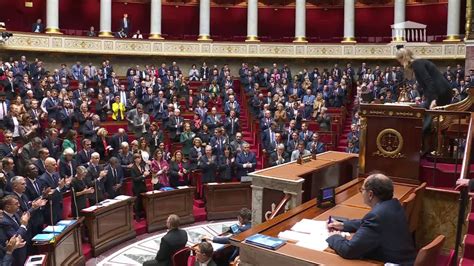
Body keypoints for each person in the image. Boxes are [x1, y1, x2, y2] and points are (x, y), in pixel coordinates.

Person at [326, 173, 416, 264]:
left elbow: (349, 250)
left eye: (362, 190)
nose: (361, 192)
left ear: (370, 194)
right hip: (406, 259)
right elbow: (369, 223)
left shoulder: (377, 216)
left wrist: (334, 237)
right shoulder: (394, 205)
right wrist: (343, 225)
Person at [130, 153, 149, 220]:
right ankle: (137, 216)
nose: (139, 159)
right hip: (136, 187)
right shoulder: (133, 168)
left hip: (143, 185)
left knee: (143, 200)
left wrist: (146, 174)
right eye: (138, 158)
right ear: (135, 159)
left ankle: (143, 213)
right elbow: (135, 179)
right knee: (137, 201)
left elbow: (143, 174)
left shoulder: (142, 166)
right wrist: (143, 176)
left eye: (140, 158)